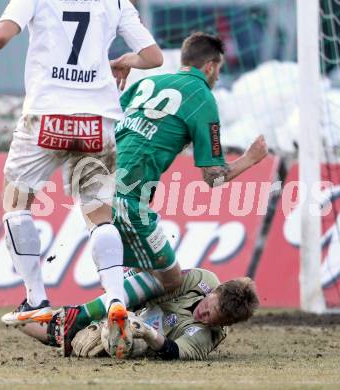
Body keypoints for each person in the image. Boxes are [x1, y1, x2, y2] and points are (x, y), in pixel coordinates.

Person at [55, 31, 268, 356]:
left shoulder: (146, 84)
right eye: (220, 69)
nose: (218, 75)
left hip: (92, 180)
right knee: (169, 278)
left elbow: (108, 121)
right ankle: (78, 319)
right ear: (210, 67)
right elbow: (214, 178)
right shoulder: (202, 97)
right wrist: (250, 160)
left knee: (131, 277)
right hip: (128, 196)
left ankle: (87, 325)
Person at [0, 0, 163, 358]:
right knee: (99, 215)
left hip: (46, 116)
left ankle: (35, 299)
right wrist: (124, 61)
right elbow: (153, 56)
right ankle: (115, 299)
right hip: (98, 122)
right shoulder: (117, 2)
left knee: (16, 203)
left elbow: (0, 35)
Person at [21, 268, 259, 360]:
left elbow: (174, 352)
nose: (204, 314)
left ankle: (24, 316)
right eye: (209, 306)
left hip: (145, 337)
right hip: (139, 302)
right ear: (215, 291)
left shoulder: (206, 335)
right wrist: (122, 301)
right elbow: (160, 287)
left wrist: (147, 333)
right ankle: (53, 315)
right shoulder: (204, 280)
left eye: (211, 318)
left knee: (81, 341)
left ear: (225, 323)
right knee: (157, 274)